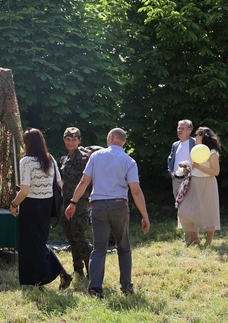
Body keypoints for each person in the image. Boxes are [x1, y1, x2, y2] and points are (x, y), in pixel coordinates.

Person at [65, 128, 150, 298]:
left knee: (99, 248)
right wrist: (144, 215)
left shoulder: (96, 156)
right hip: (119, 205)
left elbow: (84, 181)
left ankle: (95, 287)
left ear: (111, 138)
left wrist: (73, 202)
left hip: (98, 206)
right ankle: (126, 286)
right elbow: (136, 191)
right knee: (124, 247)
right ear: (123, 142)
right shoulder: (129, 161)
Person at [9, 129, 73, 290]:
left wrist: (14, 204)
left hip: (30, 204)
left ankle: (62, 272)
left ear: (28, 143)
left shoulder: (26, 162)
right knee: (38, 242)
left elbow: (24, 190)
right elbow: (60, 184)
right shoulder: (49, 159)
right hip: (46, 205)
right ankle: (38, 280)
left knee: (33, 244)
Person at [177, 127, 221, 245]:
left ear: (203, 137)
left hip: (207, 183)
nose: (195, 137)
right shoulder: (196, 150)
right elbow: (194, 166)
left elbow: (215, 171)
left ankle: (208, 242)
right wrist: (187, 169)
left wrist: (199, 167)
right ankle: (195, 239)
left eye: (197, 135)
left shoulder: (212, 152)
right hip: (194, 183)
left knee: (209, 211)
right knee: (184, 210)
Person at [59, 127, 93, 278]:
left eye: (74, 139)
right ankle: (78, 269)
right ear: (64, 140)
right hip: (66, 202)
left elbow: (89, 180)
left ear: (80, 140)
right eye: (68, 139)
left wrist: (89, 199)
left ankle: (92, 268)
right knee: (71, 237)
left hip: (79, 203)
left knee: (79, 235)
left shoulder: (83, 158)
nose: (70, 142)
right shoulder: (66, 158)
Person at [168, 120, 196, 199]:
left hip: (190, 179)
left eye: (182, 128)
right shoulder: (175, 145)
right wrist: (171, 172)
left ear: (189, 131)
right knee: (178, 205)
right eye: (178, 128)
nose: (179, 130)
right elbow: (170, 160)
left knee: (190, 205)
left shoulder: (195, 143)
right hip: (177, 180)